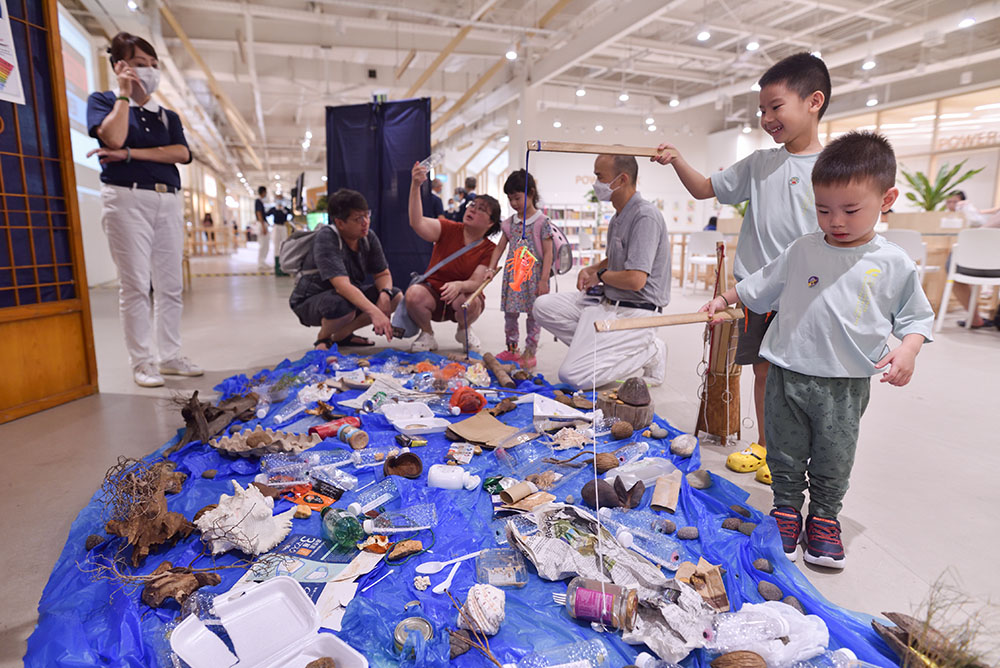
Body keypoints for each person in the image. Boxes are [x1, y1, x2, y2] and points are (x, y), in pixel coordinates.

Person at [702, 132, 934, 569]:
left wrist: (909, 349)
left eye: (850, 210)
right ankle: (786, 509)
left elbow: (916, 317)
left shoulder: (893, 263)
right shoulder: (803, 249)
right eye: (823, 209)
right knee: (785, 450)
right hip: (787, 371)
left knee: (835, 453)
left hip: (844, 383)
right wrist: (724, 300)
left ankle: (825, 517)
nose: (835, 221)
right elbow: (761, 284)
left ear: (887, 199)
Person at [653, 52, 830, 484]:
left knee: (803, 377)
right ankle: (768, 449)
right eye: (762, 110)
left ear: (814, 102)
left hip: (807, 292)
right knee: (763, 371)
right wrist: (677, 159)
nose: (767, 118)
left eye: (776, 107)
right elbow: (702, 189)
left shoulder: (832, 169)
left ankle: (797, 454)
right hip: (755, 292)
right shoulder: (760, 163)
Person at [86, 32, 202, 388]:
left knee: (169, 285)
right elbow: (114, 138)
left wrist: (131, 155)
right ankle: (143, 361)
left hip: (167, 199)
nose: (149, 71)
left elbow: (181, 154)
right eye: (139, 64)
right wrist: (123, 93)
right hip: (126, 198)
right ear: (120, 65)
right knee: (136, 284)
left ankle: (169, 356)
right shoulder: (104, 101)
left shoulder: (167, 116)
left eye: (153, 65)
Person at [533, 154, 670, 389]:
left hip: (636, 311)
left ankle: (650, 349)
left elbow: (636, 279)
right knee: (543, 306)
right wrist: (594, 268)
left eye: (600, 176)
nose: (595, 183)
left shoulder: (645, 216)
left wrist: (601, 276)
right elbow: (620, 258)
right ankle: (601, 351)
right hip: (607, 302)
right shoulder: (619, 216)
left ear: (622, 179)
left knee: (573, 377)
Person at [289, 189, 401, 350]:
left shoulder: (368, 237)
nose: (365, 222)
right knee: (342, 305)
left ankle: (342, 334)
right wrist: (375, 312)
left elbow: (383, 274)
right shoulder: (327, 238)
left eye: (367, 215)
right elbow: (342, 286)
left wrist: (384, 295)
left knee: (394, 296)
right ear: (340, 223)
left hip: (344, 295)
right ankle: (323, 338)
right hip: (310, 300)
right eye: (358, 218)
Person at [406, 163, 498, 353]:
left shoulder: (490, 248)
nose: (472, 209)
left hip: (461, 298)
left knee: (469, 302)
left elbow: (476, 282)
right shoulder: (448, 228)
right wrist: (415, 186)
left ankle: (464, 330)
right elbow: (417, 222)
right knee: (413, 294)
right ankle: (427, 334)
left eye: (481, 209)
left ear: (491, 223)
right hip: (434, 293)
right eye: (472, 205)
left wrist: (459, 285)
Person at [486, 170, 553, 368]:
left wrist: (543, 280)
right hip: (514, 277)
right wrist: (491, 268)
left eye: (517, 198)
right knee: (510, 313)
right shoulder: (509, 223)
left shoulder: (542, 222)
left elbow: (548, 253)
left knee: (534, 315)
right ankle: (512, 349)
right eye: (509, 199)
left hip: (535, 278)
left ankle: (530, 352)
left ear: (531, 193)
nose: (513, 203)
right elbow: (499, 247)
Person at [943, 191, 1000, 328]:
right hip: (994, 267)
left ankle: (975, 318)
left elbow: (982, 229)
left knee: (952, 266)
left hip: (968, 268)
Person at [255, 186, 270, 269]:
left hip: (263, 223)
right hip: (261, 224)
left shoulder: (260, 201)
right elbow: (259, 213)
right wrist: (263, 226)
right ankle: (260, 263)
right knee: (263, 244)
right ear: (263, 192)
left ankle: (263, 261)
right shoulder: (258, 201)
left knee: (265, 244)